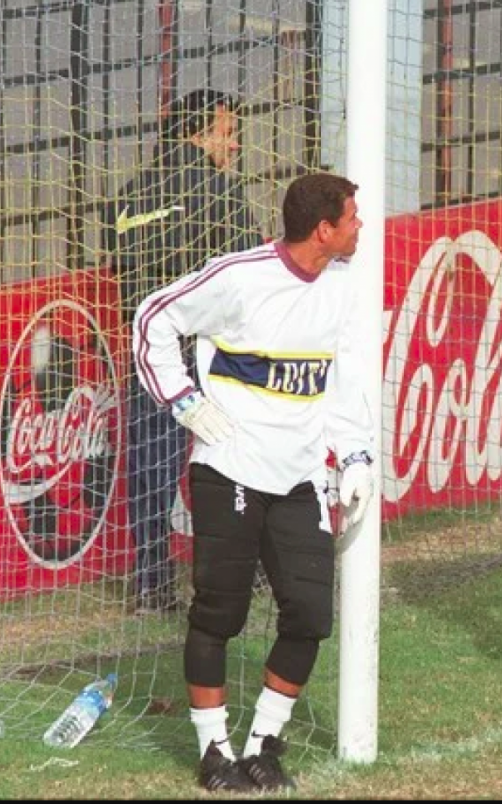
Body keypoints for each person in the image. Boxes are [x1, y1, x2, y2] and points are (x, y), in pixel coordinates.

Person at [131, 172, 375, 792]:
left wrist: (355, 458)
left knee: (310, 613)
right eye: (353, 218)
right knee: (221, 611)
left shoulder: (343, 287)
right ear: (324, 230)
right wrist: (182, 400)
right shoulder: (239, 277)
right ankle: (215, 754)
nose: (360, 227)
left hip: (298, 477)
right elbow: (152, 316)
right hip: (229, 468)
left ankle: (265, 746)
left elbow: (338, 382)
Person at [106, 90, 263, 614]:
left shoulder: (128, 196)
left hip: (148, 349)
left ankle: (151, 583)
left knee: (150, 466)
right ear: (197, 134)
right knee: (232, 458)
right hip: (205, 352)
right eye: (228, 131)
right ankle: (242, 570)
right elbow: (249, 270)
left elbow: (121, 271)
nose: (235, 144)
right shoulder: (218, 189)